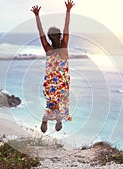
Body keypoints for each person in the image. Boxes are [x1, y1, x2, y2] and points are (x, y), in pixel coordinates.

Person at [31, 0, 75, 133]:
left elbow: (41, 32)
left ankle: (46, 119)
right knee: (60, 102)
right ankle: (58, 119)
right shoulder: (64, 47)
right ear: (60, 35)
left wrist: (37, 16)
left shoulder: (48, 48)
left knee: (51, 102)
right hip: (62, 81)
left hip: (50, 81)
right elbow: (67, 27)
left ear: (50, 37)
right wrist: (68, 11)